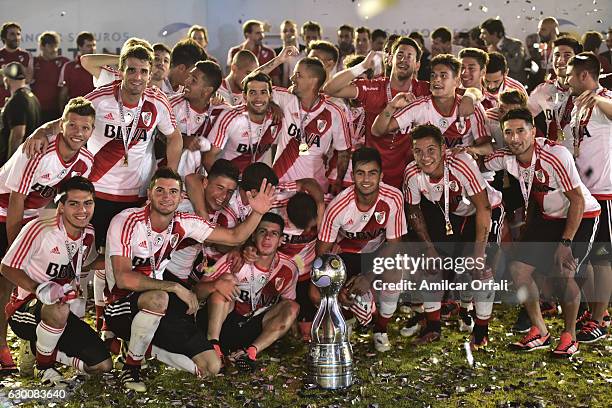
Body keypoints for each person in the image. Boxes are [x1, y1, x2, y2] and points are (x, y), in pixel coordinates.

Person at [103, 167, 275, 390]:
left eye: (173, 192)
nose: (167, 197)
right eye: (161, 191)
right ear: (149, 193)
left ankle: (140, 346)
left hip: (161, 301)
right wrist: (174, 287)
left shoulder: (184, 221)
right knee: (159, 299)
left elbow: (234, 237)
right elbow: (124, 278)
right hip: (122, 305)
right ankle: (131, 369)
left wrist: (258, 212)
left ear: (180, 196)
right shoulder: (127, 221)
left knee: (211, 366)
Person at [25, 44, 183, 255]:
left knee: (123, 255)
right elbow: (66, 120)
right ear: (121, 71)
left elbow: (174, 136)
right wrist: (41, 131)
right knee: (84, 255)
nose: (137, 76)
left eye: (143, 71)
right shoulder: (101, 97)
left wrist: (168, 176)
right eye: (131, 69)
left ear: (150, 74)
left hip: (136, 193)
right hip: (97, 190)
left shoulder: (157, 101)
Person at [482, 108, 600, 357]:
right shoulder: (507, 157)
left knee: (563, 272)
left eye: (520, 131)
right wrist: (468, 151)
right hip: (548, 217)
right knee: (518, 270)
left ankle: (569, 336)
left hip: (581, 214)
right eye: (509, 132)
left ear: (533, 131)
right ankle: (540, 330)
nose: (515, 138)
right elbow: (483, 157)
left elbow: (577, 200)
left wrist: (565, 242)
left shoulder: (555, 154)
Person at [0, 97, 94, 375]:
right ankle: (2, 346)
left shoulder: (85, 161)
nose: (78, 132)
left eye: (85, 128)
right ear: (61, 126)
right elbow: (17, 199)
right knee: (6, 280)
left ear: (92, 130)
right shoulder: (39, 151)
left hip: (35, 215)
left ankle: (34, 342)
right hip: (5, 208)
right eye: (72, 125)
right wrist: (17, 247)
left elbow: (63, 201)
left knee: (44, 276)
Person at [1, 176, 112, 385]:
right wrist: (39, 288)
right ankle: (43, 367)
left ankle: (39, 348)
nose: (82, 210)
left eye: (88, 203)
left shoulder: (88, 232)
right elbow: (6, 267)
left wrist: (119, 259)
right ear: (61, 206)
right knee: (57, 308)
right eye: (74, 203)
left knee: (102, 365)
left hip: (63, 310)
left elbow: (86, 264)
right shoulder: (41, 226)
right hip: (25, 308)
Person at [402, 124, 503, 347]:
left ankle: (481, 330)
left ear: (442, 149)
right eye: (418, 151)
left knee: (480, 268)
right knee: (430, 264)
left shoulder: (460, 164)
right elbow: (414, 211)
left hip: (483, 211)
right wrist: (429, 249)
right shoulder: (412, 172)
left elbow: (484, 207)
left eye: (431, 150)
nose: (425, 157)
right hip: (451, 214)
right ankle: (433, 326)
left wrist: (478, 253)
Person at [317, 147, 407, 352]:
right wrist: (336, 287)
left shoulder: (393, 198)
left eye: (372, 173)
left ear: (381, 175)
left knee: (395, 271)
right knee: (316, 293)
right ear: (352, 175)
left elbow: (395, 244)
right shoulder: (338, 206)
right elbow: (322, 253)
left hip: (376, 254)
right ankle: (347, 317)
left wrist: (368, 276)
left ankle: (381, 329)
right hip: (346, 256)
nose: (366, 180)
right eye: (360, 173)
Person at [196, 212, 299, 371]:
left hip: (251, 328)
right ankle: (214, 346)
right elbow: (197, 291)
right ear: (253, 236)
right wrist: (216, 285)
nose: (267, 238)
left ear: (280, 241)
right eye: (262, 231)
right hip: (222, 323)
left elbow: (288, 302)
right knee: (227, 282)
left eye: (274, 233)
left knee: (292, 306)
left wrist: (289, 327)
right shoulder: (236, 259)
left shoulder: (289, 268)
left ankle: (249, 353)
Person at [323, 37, 430, 189]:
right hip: (373, 176)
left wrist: (471, 95)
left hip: (408, 176)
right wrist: (362, 66)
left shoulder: (424, 90)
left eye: (409, 56)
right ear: (390, 59)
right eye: (399, 55)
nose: (403, 60)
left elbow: (459, 93)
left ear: (417, 65)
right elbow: (330, 88)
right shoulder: (375, 87)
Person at [256, 53, 352, 193]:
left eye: (298, 75)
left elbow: (344, 153)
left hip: (312, 190)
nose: (291, 78)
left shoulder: (334, 112)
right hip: (279, 187)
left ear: (313, 81)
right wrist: (279, 59)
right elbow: (250, 82)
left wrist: (337, 183)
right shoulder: (286, 99)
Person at [567, 52, 612, 343]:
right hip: (583, 194)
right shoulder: (576, 104)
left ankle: (600, 319)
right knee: (583, 258)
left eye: (571, 75)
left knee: (602, 259)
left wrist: (596, 99)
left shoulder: (603, 97)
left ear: (584, 75)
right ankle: (594, 309)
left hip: (604, 192)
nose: (567, 80)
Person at [371, 54, 489, 150]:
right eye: (433, 75)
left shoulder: (472, 106)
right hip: (427, 172)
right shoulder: (419, 106)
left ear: (457, 82)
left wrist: (468, 151)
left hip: (462, 171)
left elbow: (488, 147)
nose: (436, 79)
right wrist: (391, 106)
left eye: (443, 76)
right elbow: (377, 131)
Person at [205, 72, 281, 173]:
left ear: (270, 96)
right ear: (244, 96)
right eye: (253, 93)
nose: (258, 98)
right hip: (229, 179)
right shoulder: (232, 117)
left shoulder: (276, 118)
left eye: (263, 92)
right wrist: (224, 183)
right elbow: (208, 158)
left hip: (254, 182)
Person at [168, 60, 227, 174]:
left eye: (193, 80)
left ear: (207, 91)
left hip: (202, 180)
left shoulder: (222, 112)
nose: (186, 81)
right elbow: (156, 140)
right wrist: (181, 140)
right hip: (170, 175)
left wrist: (272, 106)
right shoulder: (171, 105)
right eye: (189, 76)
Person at [527, 37, 582, 152]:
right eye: (556, 55)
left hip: (585, 158)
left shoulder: (589, 91)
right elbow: (523, 117)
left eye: (567, 55)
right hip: (553, 157)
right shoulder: (543, 90)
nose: (560, 60)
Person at [0, 62, 41, 164]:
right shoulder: (32, 96)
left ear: (7, 79)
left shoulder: (17, 100)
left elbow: (18, 134)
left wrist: (10, 163)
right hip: (29, 157)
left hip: (20, 160)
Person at [31, 32, 69, 123]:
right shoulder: (33, 62)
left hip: (56, 110)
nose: (54, 49)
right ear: (41, 46)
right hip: (36, 110)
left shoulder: (64, 62)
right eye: (51, 46)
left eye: (56, 46)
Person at [227, 20, 278, 84]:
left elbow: (276, 79)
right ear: (247, 34)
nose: (262, 36)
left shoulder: (270, 52)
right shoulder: (235, 51)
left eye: (262, 32)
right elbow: (230, 76)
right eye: (258, 33)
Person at [480, 18, 527, 84]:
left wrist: (498, 52)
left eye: (484, 33)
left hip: (514, 85)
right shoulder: (490, 47)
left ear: (494, 34)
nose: (481, 37)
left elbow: (516, 67)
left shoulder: (516, 45)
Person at [58, 32, 96, 109]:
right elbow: (63, 93)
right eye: (88, 45)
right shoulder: (69, 67)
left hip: (97, 110)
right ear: (80, 47)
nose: (92, 48)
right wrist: (62, 113)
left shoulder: (102, 65)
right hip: (76, 110)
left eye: (94, 45)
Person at [0, 22, 32, 109]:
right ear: (4, 37)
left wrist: (6, 74)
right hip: (1, 103)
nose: (16, 37)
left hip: (20, 103)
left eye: (18, 34)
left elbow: (28, 79)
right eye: (12, 34)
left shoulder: (26, 55)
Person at [274, 20, 306, 87]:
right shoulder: (275, 53)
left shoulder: (305, 51)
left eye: (292, 31)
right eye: (285, 31)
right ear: (281, 34)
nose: (288, 33)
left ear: (296, 33)